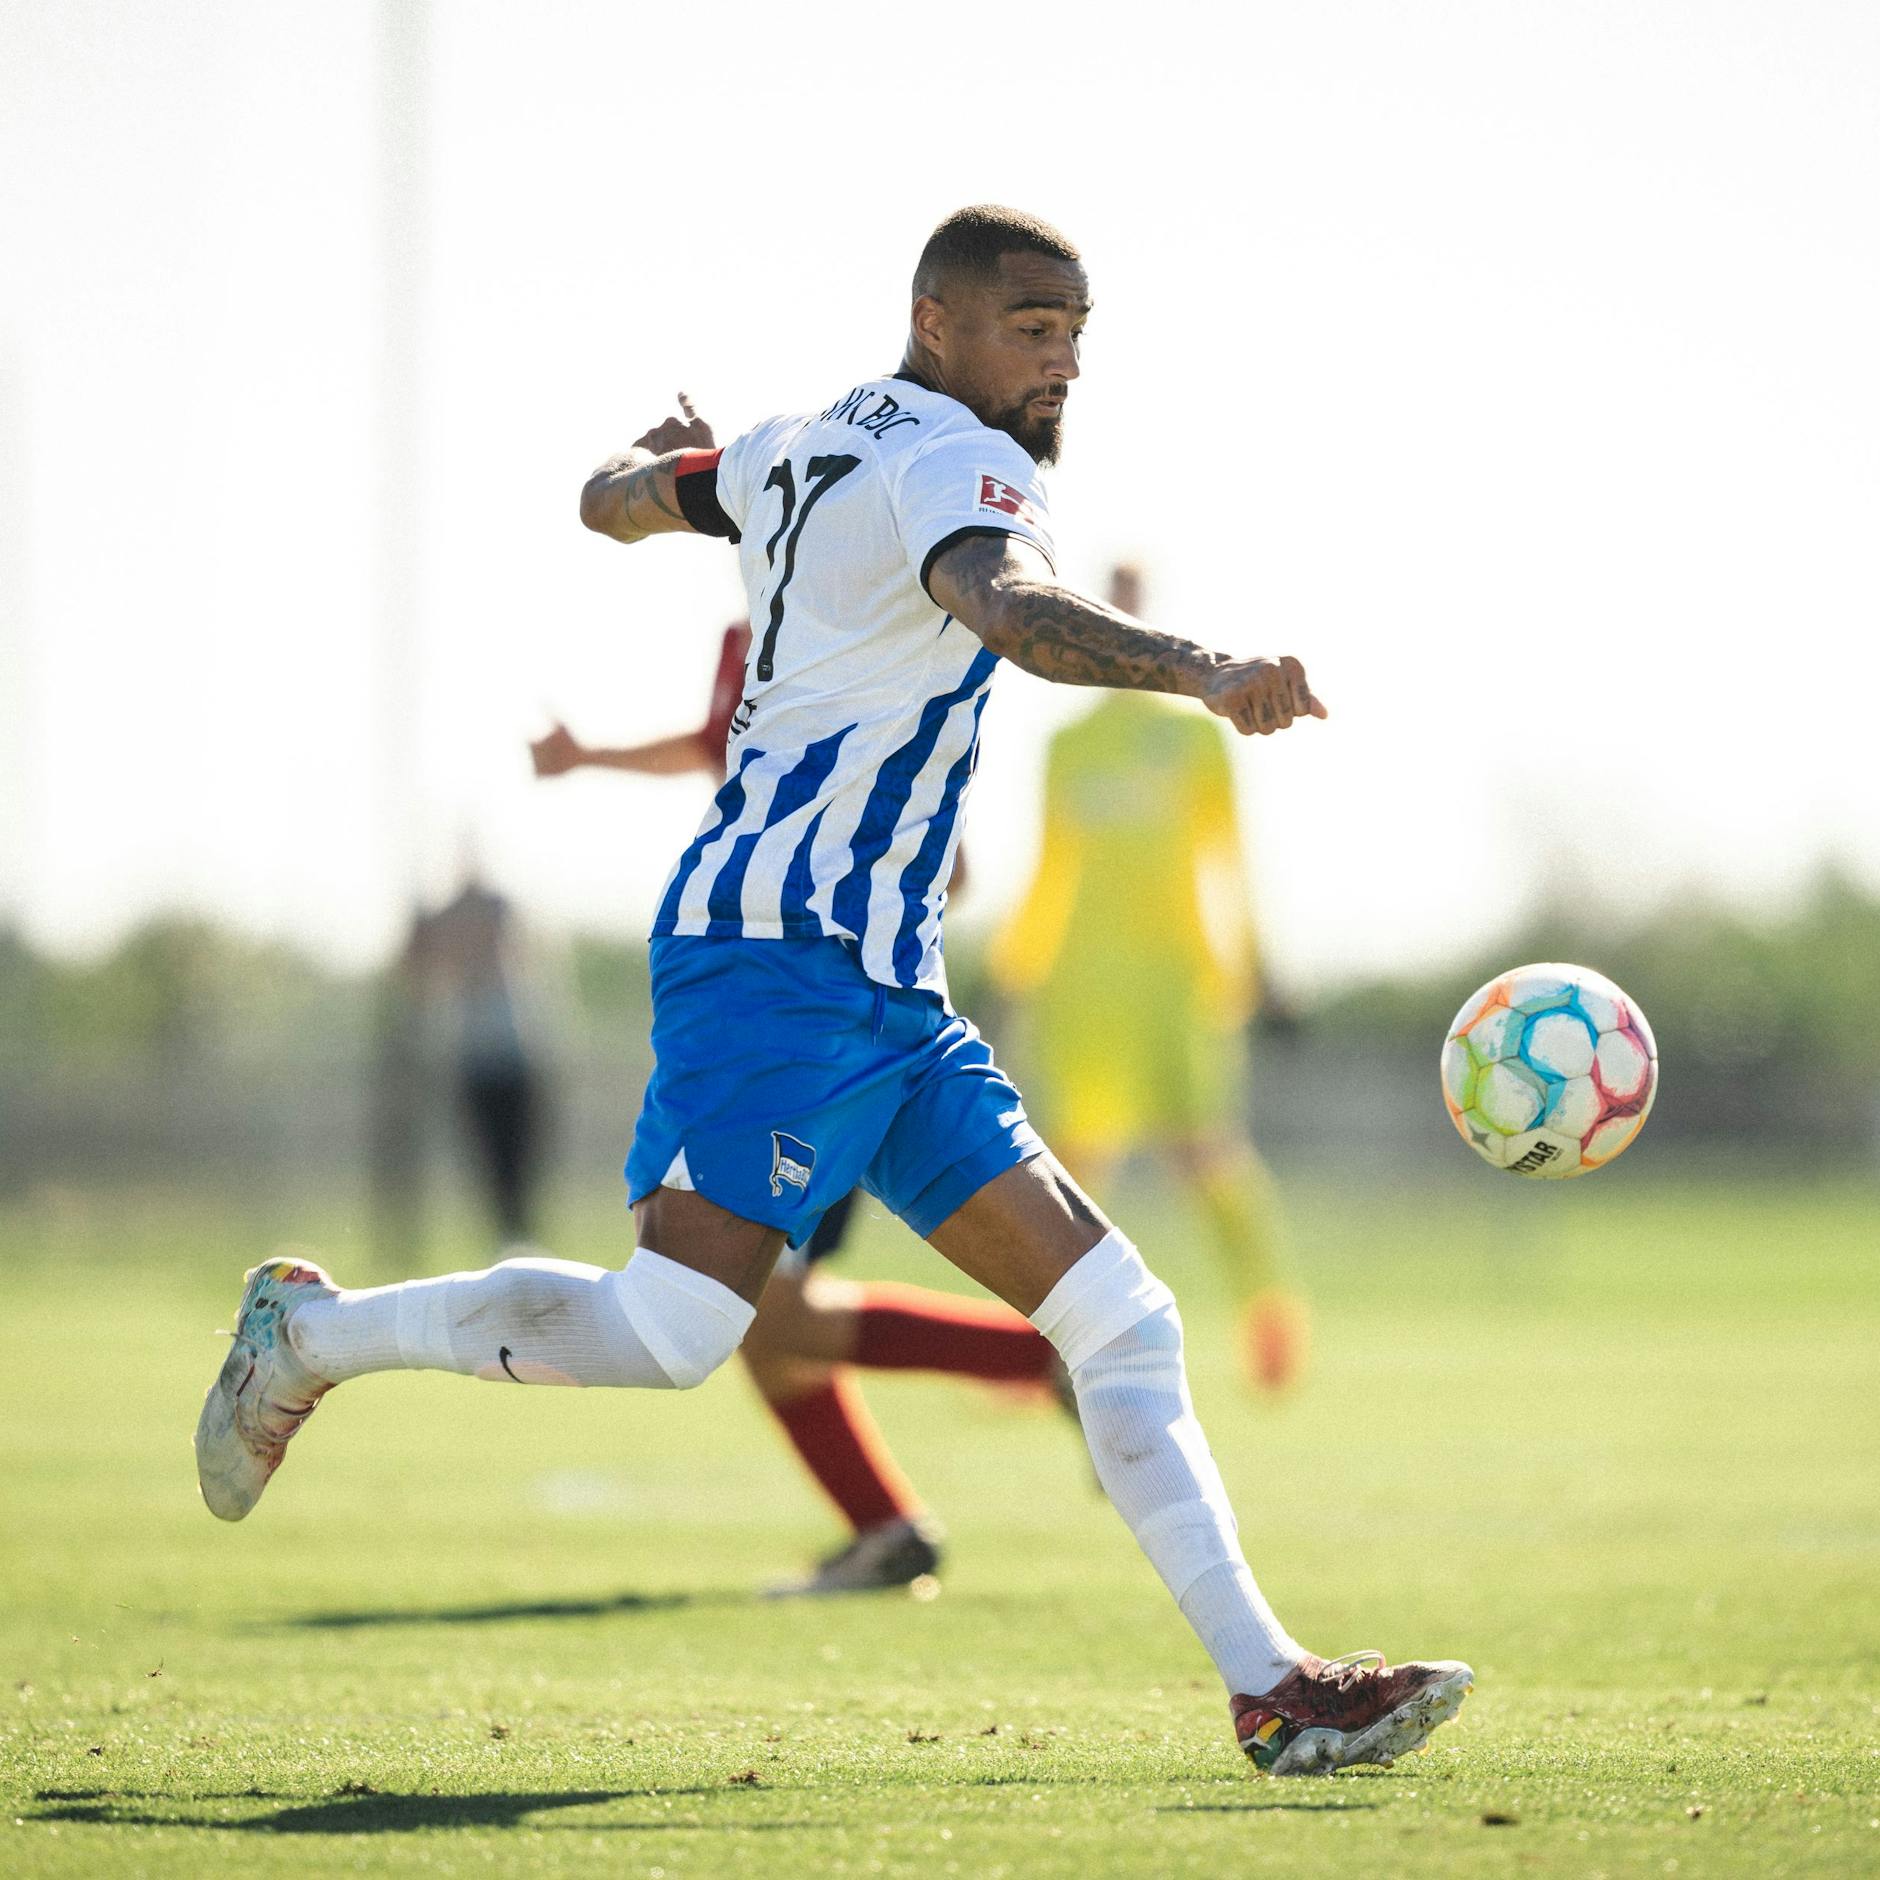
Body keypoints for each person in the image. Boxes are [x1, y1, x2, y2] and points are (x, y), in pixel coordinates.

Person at [196, 205, 1471, 1776]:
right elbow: (1009, 608)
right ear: (935, 320)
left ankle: (1273, 1690)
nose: (1062, 358)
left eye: (1076, 328)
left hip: (881, 982)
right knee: (673, 1333)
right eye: (1028, 325)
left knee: (1121, 1322)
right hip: (782, 960)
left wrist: (659, 465)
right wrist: (1203, 669)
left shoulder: (800, 440)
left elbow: (613, 505)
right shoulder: (961, 465)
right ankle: (309, 1337)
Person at [531, 632, 1064, 1595]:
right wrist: (587, 759)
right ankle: (891, 1526)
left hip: (820, 1036)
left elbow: (950, 859)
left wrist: (853, 913)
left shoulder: (852, 628)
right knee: (763, 1322)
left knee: (758, 1309)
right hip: (778, 1022)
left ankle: (1042, 1358)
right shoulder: (755, 633)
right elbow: (709, 743)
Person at [991, 564, 1309, 1392]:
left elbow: (1229, 855)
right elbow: (1052, 865)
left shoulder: (1195, 738)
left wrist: (1259, 965)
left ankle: (1270, 1320)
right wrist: (1017, 968)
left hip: (1180, 978)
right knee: (1068, 1171)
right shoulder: (1068, 745)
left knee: (1207, 1156)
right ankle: (1036, 1355)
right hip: (1084, 985)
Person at [405, 868, 548, 1246]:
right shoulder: (447, 935)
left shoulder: (502, 928)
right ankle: (507, 1237)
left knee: (521, 1156)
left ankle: (520, 1236)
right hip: (475, 1064)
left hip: (515, 1061)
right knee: (489, 1160)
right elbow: (413, 971)